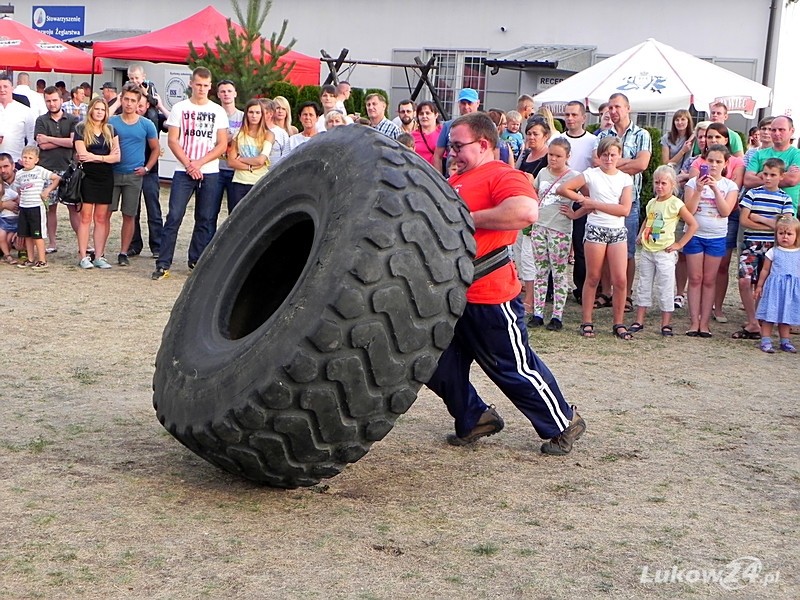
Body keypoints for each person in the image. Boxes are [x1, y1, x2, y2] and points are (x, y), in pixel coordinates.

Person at [424, 111, 585, 456]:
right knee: (432, 363)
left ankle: (562, 423)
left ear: (483, 144)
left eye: (458, 146)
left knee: (511, 367)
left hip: (489, 293)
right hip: (452, 296)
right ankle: (474, 417)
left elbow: (526, 212)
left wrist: (466, 217)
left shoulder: (503, 175)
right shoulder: (456, 181)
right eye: (450, 147)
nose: (451, 153)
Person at [152, 67, 229, 280]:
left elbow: (222, 144)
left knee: (205, 218)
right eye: (199, 85)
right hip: (183, 170)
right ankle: (163, 263)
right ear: (191, 84)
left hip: (210, 170)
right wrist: (189, 164)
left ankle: (196, 260)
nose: (202, 89)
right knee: (174, 216)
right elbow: (173, 140)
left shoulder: (218, 111)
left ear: (210, 87)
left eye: (206, 86)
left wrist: (200, 163)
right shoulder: (180, 108)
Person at [559, 136, 633, 339]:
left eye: (613, 155)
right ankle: (587, 320)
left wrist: (594, 204)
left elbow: (625, 209)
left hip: (617, 231)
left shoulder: (625, 179)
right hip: (595, 229)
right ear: (599, 156)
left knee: (620, 279)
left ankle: (618, 322)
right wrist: (582, 200)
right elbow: (564, 188)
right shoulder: (591, 174)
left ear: (619, 156)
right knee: (592, 277)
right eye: (605, 155)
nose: (609, 158)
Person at [595, 93, 652, 314]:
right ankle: (607, 292)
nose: (612, 111)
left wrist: (613, 166)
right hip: (605, 201)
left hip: (629, 200)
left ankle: (626, 294)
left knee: (626, 250)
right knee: (607, 249)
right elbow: (598, 163)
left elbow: (642, 164)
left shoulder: (641, 134)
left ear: (628, 108)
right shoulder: (603, 134)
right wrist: (625, 163)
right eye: (610, 107)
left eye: (617, 106)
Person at [629, 166, 698, 336]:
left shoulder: (676, 203)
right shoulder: (652, 202)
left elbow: (693, 224)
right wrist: (640, 234)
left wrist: (679, 244)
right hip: (647, 250)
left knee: (665, 286)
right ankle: (639, 319)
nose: (659, 186)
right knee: (643, 283)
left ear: (672, 184)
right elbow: (648, 219)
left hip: (664, 252)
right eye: (657, 182)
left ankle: (666, 323)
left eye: (664, 183)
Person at [732, 158, 794, 340]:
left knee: (763, 284)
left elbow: (785, 225)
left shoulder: (785, 198)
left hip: (772, 248)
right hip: (751, 243)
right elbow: (744, 220)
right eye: (765, 174)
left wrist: (760, 218)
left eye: (772, 175)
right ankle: (752, 321)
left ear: (781, 177)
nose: (767, 178)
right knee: (745, 281)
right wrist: (772, 223)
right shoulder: (752, 194)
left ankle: (757, 321)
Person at [682, 144, 738, 337]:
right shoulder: (692, 183)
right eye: (710, 161)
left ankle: (705, 323)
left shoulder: (729, 186)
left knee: (709, 280)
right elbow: (688, 211)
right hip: (695, 235)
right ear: (704, 161)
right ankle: (694, 321)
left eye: (718, 161)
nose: (713, 165)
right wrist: (698, 189)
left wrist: (714, 189)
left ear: (725, 164)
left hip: (716, 236)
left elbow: (725, 212)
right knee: (695, 278)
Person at [527, 138, 579, 331]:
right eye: (551, 155)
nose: (553, 159)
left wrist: (576, 213)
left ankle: (557, 315)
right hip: (540, 226)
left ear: (567, 157)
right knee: (540, 270)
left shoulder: (573, 175)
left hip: (560, 229)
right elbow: (534, 194)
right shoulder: (542, 172)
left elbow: (587, 198)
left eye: (558, 156)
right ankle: (538, 313)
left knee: (559, 273)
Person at [109, 83, 159, 266]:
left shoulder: (146, 124)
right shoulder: (112, 122)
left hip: (134, 176)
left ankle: (124, 252)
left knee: (129, 215)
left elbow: (155, 149)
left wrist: (146, 168)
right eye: (126, 99)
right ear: (121, 100)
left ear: (139, 103)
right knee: (104, 214)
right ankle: (99, 251)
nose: (129, 103)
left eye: (133, 100)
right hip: (112, 173)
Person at [74, 98, 120, 269]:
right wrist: (103, 158)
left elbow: (117, 157)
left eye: (103, 109)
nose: (100, 112)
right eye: (97, 109)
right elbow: (82, 154)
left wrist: (97, 157)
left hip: (106, 176)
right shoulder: (81, 129)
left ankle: (99, 255)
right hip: (88, 175)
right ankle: (83, 255)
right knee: (85, 217)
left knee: (101, 218)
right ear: (91, 110)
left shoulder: (110, 130)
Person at [559, 101, 596, 304]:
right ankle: (553, 288)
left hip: (584, 198)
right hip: (561, 196)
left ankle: (581, 288)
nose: (570, 118)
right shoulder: (558, 139)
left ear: (583, 117)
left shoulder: (593, 141)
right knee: (557, 244)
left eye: (574, 115)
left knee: (581, 245)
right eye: (567, 114)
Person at [34, 86, 78, 253]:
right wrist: (63, 140)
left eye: (54, 100)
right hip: (47, 170)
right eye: (48, 101)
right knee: (50, 208)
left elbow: (73, 142)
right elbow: (41, 145)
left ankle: (84, 243)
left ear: (61, 100)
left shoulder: (73, 120)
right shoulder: (41, 120)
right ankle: (52, 243)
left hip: (68, 169)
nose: (51, 104)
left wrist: (50, 139)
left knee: (73, 208)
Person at [754, 215, 800, 353]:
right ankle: (766, 340)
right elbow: (765, 270)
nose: (784, 237)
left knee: (786, 316)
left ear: (797, 235)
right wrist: (760, 286)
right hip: (774, 289)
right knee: (770, 315)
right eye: (781, 233)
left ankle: (785, 341)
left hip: (791, 290)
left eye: (789, 234)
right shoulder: (773, 252)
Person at [13, 145, 60, 270]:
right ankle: (30, 258)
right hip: (24, 207)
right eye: (25, 157)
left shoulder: (40, 171)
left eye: (30, 157)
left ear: (36, 160)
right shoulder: (19, 174)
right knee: (26, 234)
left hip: (36, 207)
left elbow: (56, 178)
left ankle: (42, 260)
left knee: (37, 235)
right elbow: (18, 188)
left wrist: (47, 191)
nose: (27, 160)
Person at [744, 116, 800, 214]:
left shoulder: (797, 154)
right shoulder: (759, 154)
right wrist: (783, 174)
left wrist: (760, 175)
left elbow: (792, 180)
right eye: (773, 130)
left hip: (785, 214)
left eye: (781, 130)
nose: (777, 133)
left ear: (792, 131)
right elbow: (748, 181)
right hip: (756, 212)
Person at [226, 99, 274, 212]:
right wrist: (250, 166)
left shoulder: (269, 134)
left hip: (259, 180)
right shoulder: (238, 134)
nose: (254, 116)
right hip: (240, 181)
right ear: (246, 114)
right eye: (251, 112)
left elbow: (261, 160)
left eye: (257, 113)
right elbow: (231, 162)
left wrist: (241, 159)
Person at [213, 80, 244, 221]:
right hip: (216, 168)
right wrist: (231, 137)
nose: (226, 94)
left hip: (235, 170)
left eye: (229, 91)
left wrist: (223, 138)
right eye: (223, 91)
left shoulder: (244, 117)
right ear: (218, 95)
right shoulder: (213, 115)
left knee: (235, 213)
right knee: (209, 213)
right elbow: (213, 141)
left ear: (235, 94)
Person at [432, 88, 480, 175]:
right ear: (458, 104)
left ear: (477, 103)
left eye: (470, 103)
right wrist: (440, 180)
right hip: (453, 177)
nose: (466, 107)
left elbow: (494, 154)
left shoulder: (487, 127)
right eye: (463, 103)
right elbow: (437, 156)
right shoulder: (448, 126)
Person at [0, 75, 36, 163]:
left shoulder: (25, 110)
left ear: (12, 88)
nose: (2, 90)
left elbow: (32, 138)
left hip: (16, 160)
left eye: (5, 87)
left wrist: (25, 158)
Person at [0, 153, 20, 264]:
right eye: (0, 167)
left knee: (18, 242)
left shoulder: (23, 178)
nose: (3, 170)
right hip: (3, 222)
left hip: (20, 220)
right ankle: (6, 254)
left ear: (13, 165)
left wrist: (21, 229)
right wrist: (3, 205)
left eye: (6, 166)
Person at [260, 99, 289, 167]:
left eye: (260, 112)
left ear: (270, 113)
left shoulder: (281, 133)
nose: (256, 115)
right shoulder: (251, 131)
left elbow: (286, 157)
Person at [411, 101, 441, 165]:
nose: (424, 116)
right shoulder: (412, 136)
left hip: (439, 172)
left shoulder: (443, 133)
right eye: (421, 114)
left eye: (428, 113)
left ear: (436, 115)